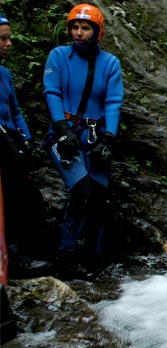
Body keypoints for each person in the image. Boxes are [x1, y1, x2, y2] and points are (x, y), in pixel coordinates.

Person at [43, 3, 123, 279]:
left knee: (100, 197)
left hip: (96, 134)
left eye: (85, 28)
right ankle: (66, 255)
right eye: (75, 27)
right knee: (80, 191)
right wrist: (62, 129)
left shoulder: (110, 63)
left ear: (97, 32)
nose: (79, 33)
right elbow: (52, 93)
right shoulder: (58, 57)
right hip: (65, 133)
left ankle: (95, 258)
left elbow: (113, 102)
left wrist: (109, 138)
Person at [0, 12, 50, 278]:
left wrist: (26, 139)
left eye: (9, 38)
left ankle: (21, 252)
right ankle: (12, 258)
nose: (9, 44)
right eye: (3, 39)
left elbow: (15, 110)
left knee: (24, 198)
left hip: (12, 142)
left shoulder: (4, 74)